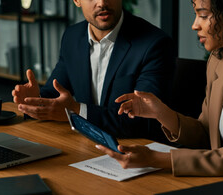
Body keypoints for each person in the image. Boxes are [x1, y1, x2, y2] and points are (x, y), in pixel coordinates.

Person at [96, 0, 223, 176]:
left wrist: (156, 159)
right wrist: (161, 113)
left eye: (203, 15)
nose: (194, 25)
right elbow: (205, 135)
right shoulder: (219, 60)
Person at [12, 0, 175, 140]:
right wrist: (34, 99)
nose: (102, 3)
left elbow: (145, 121)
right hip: (86, 145)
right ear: (76, 1)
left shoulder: (154, 44)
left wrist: (76, 110)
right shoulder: (72, 36)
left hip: (136, 151)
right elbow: (56, 93)